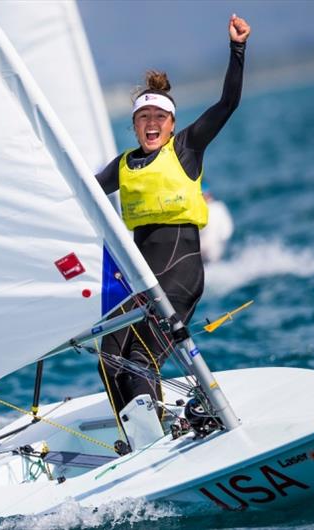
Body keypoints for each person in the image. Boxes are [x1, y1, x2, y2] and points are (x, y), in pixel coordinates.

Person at [95, 15, 251, 417]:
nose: (151, 125)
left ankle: (157, 439)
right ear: (134, 126)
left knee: (142, 363)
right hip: (137, 276)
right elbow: (82, 193)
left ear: (171, 125)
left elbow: (228, 104)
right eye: (143, 119)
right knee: (110, 361)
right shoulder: (124, 165)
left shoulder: (186, 149)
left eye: (158, 119)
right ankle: (137, 437)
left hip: (179, 273)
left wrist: (237, 50)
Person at [199, 183, 234, 263]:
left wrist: (223, 241)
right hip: (203, 248)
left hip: (217, 245)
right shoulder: (200, 211)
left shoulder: (219, 207)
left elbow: (227, 228)